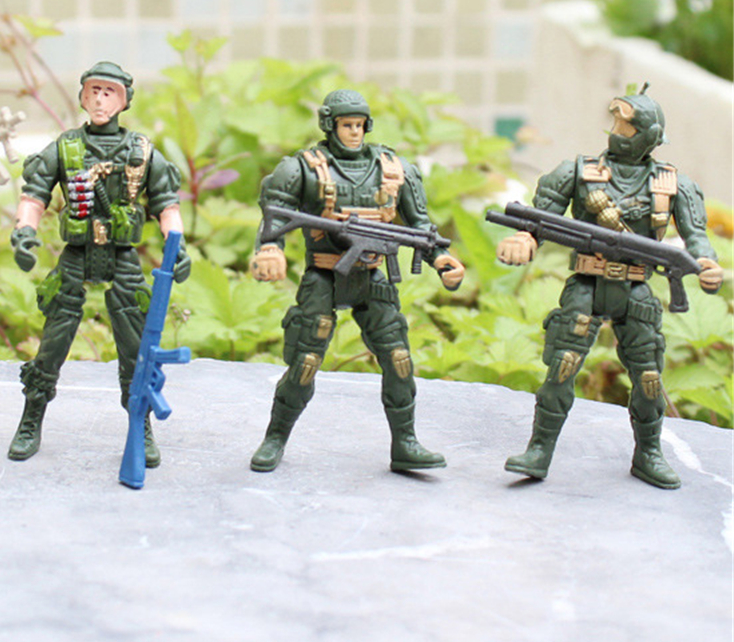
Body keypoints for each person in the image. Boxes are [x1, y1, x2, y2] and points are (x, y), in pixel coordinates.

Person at [496, 88, 723, 488]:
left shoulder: (673, 183)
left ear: (649, 135)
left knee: (649, 377)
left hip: (636, 290)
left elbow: (697, 236)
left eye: (627, 125)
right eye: (615, 121)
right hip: (588, 282)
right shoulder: (578, 172)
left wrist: (705, 263)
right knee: (562, 368)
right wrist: (523, 239)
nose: (617, 130)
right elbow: (538, 219)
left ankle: (649, 453)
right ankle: (539, 450)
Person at [248, 89, 464, 473]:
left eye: (360, 125)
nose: (354, 132)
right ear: (330, 125)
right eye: (346, 125)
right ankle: (275, 438)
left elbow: (419, 226)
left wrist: (441, 259)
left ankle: (405, 443)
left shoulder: (394, 169)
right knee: (305, 362)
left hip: (372, 278)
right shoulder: (303, 168)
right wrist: (269, 249)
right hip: (324, 274)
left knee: (398, 359)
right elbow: (275, 214)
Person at [7, 61, 190, 465]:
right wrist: (24, 231)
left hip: (123, 256)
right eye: (94, 91)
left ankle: (141, 423)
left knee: (135, 346)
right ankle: (31, 417)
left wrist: (176, 245)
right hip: (77, 253)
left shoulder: (141, 151)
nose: (100, 100)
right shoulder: (66, 147)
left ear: (124, 101)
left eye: (109, 93)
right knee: (54, 338)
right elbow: (35, 193)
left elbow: (166, 203)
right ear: (83, 97)